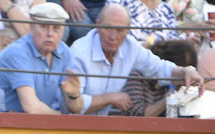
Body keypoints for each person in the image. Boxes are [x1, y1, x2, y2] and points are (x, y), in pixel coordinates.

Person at [69, 3, 204, 115]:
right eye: (108, 28)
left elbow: (160, 68)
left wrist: (186, 71)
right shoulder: (79, 52)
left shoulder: (130, 46)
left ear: (128, 31)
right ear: (97, 25)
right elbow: (73, 105)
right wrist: (110, 98)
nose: (113, 36)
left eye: (120, 30)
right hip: (73, 126)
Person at [0, 2, 84, 114]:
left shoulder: (64, 52)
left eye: (56, 28)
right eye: (43, 27)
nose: (50, 34)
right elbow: (31, 107)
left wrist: (74, 96)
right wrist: (65, 122)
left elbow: (76, 109)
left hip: (31, 124)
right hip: (0, 124)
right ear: (31, 27)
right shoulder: (17, 52)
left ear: (63, 30)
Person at [116, 39, 196, 115]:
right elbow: (138, 115)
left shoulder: (171, 87)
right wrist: (169, 99)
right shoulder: (137, 76)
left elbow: (172, 118)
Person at [107, 0, 179, 44]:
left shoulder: (167, 9)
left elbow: (174, 41)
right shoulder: (118, 3)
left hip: (162, 62)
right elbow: (111, 37)